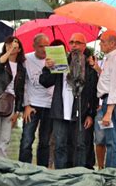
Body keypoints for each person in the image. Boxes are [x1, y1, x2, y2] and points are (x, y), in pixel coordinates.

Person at [40, 33, 98, 169]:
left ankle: (78, 175)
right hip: (60, 111)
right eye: (71, 42)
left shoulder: (90, 67)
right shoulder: (60, 61)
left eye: (78, 42)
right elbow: (45, 82)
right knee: (60, 145)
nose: (74, 45)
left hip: (81, 113)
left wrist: (91, 114)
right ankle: (61, 175)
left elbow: (93, 94)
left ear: (84, 46)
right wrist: (47, 68)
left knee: (80, 145)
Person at [0, 36, 26, 158]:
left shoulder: (21, 68)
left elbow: (20, 91)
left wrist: (17, 111)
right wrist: (8, 51)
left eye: (14, 44)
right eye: (7, 44)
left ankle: (2, 167)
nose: (11, 46)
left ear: (19, 49)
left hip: (10, 104)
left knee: (5, 140)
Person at [18, 33, 54, 167]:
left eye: (47, 46)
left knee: (45, 141)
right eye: (41, 46)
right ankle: (24, 170)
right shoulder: (26, 60)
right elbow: (23, 84)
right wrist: (26, 105)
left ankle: (42, 171)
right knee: (27, 139)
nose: (44, 49)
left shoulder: (54, 59)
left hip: (49, 105)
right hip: (32, 104)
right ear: (34, 46)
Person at [97, 30, 116, 168]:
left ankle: (112, 172)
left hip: (112, 102)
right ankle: (110, 169)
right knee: (109, 139)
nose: (100, 44)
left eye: (103, 41)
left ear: (112, 43)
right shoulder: (109, 58)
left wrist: (109, 112)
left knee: (113, 140)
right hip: (107, 100)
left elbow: (115, 88)